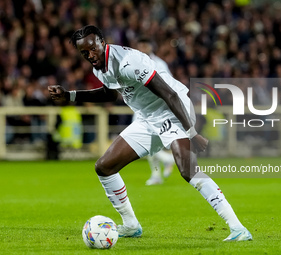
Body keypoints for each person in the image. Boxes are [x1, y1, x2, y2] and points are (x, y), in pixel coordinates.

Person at [48, 25, 252, 242]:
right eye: (84, 53)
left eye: (92, 49)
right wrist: (70, 96)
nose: (90, 55)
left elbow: (170, 94)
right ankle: (131, 225)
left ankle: (238, 228)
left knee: (188, 170)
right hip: (147, 118)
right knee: (104, 167)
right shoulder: (99, 67)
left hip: (171, 110)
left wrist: (191, 132)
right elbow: (110, 94)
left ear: (101, 41)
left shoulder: (129, 62)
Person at [136, 37, 175, 185]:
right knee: (147, 143)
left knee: (150, 144)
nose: (142, 48)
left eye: (145, 45)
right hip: (140, 107)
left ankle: (168, 162)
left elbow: (168, 85)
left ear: (150, 47)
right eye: (140, 45)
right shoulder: (134, 62)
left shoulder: (159, 64)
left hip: (156, 107)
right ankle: (160, 170)